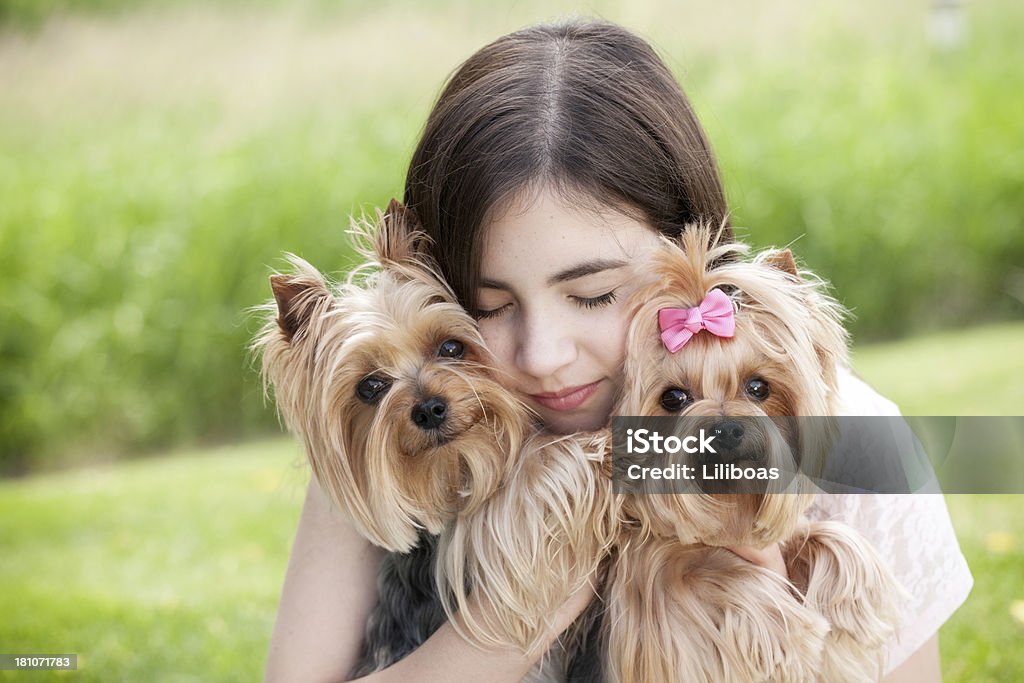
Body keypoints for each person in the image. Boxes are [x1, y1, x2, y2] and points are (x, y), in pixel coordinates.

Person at [264, 19, 972, 683]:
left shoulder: (841, 434)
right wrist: (510, 618)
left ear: (687, 257)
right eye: (490, 308)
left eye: (595, 294)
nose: (543, 355)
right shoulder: (412, 441)